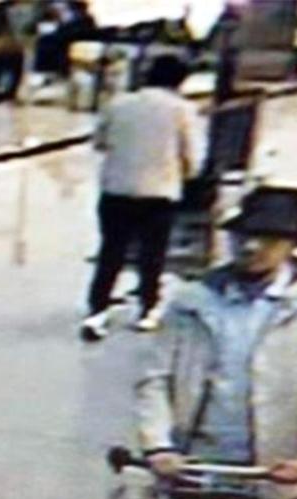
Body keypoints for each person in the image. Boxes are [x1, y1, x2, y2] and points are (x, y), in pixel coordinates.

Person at [136, 186, 297, 486]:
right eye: (243, 236)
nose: (252, 247)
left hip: (276, 469)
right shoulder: (191, 301)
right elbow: (155, 377)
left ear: (292, 245)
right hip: (192, 463)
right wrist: (158, 445)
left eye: (269, 239)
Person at [81, 54, 202, 341]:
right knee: (152, 254)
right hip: (159, 193)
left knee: (111, 252)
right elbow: (192, 159)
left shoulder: (119, 103)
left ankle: (97, 309)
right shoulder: (182, 110)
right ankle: (147, 309)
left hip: (116, 189)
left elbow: (99, 142)